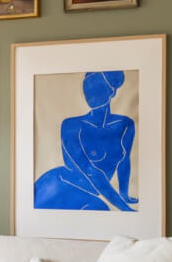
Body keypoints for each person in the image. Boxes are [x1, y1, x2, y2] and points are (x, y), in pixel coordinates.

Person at [34, 71, 137, 212]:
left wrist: (124, 194)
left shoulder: (125, 124)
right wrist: (125, 209)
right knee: (101, 209)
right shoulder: (71, 125)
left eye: (97, 88)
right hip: (59, 184)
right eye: (87, 88)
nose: (90, 94)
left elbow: (124, 160)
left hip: (90, 191)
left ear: (112, 92)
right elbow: (90, 171)